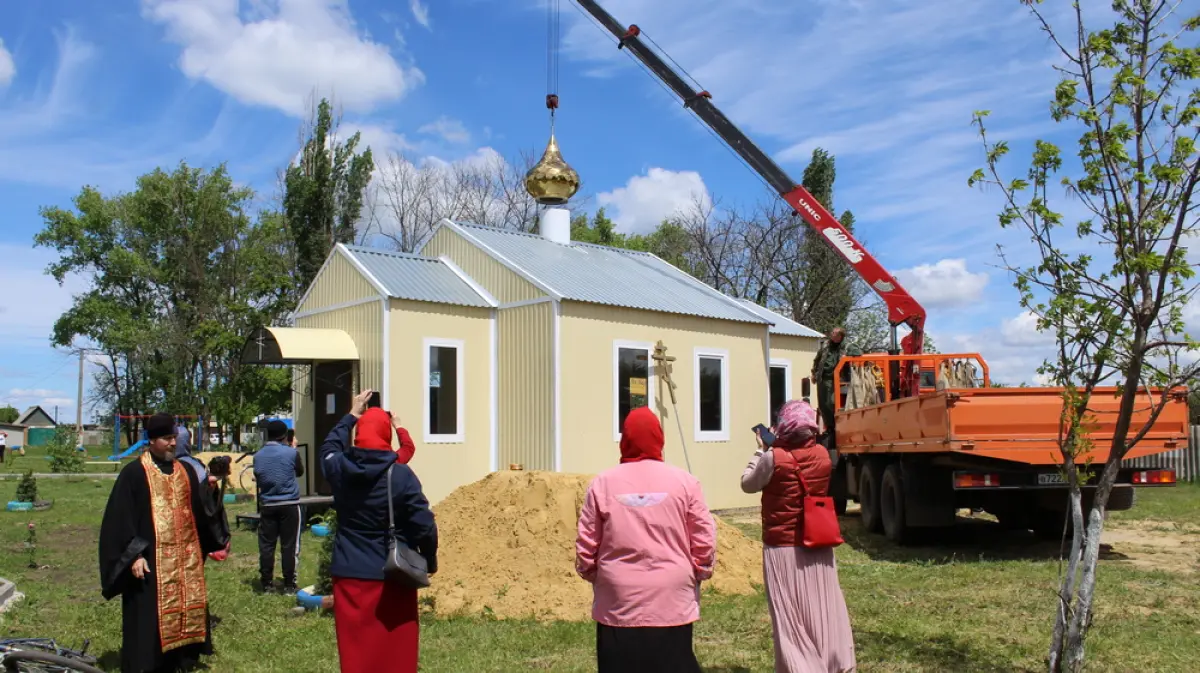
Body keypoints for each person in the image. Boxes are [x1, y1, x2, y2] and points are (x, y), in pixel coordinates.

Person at [575, 406, 716, 673]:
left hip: (618, 597)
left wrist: (594, 573)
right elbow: (704, 537)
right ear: (659, 438)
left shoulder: (602, 483)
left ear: (625, 439)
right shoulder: (686, 482)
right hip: (672, 594)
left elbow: (587, 542)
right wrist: (701, 570)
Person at [98, 412, 230, 673]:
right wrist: (133, 554)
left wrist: (210, 492)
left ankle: (181, 658)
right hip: (149, 560)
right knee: (148, 616)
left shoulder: (184, 471)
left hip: (184, 560)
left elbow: (198, 509)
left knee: (184, 608)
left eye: (174, 438)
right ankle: (147, 664)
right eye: (167, 439)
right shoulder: (134, 474)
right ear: (152, 440)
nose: (173, 443)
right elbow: (121, 518)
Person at [320, 390, 437, 673]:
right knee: (395, 649)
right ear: (386, 436)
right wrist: (429, 559)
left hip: (348, 573)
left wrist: (351, 414)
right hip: (391, 573)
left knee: (356, 648)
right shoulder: (399, 473)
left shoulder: (338, 467)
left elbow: (329, 446)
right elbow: (424, 524)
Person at [740, 400, 856, 673]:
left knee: (789, 615)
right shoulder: (823, 455)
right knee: (822, 610)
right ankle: (832, 662)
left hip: (783, 548)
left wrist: (761, 448)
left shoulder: (773, 458)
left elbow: (747, 484)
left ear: (784, 427)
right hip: (818, 542)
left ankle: (800, 666)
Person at [254, 420, 306, 594]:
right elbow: (299, 471)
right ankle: (289, 584)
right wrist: (293, 449)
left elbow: (259, 475)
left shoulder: (258, 455)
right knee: (289, 545)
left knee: (267, 545)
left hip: (268, 504)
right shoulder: (291, 453)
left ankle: (267, 584)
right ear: (285, 436)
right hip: (289, 504)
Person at [811, 327, 861, 445]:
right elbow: (817, 360)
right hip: (823, 378)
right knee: (823, 405)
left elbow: (858, 353)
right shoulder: (825, 346)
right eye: (832, 333)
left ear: (840, 336)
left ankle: (837, 426)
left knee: (832, 402)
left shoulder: (848, 346)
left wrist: (847, 357)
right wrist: (814, 373)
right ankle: (830, 428)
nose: (832, 335)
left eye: (834, 334)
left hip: (838, 379)